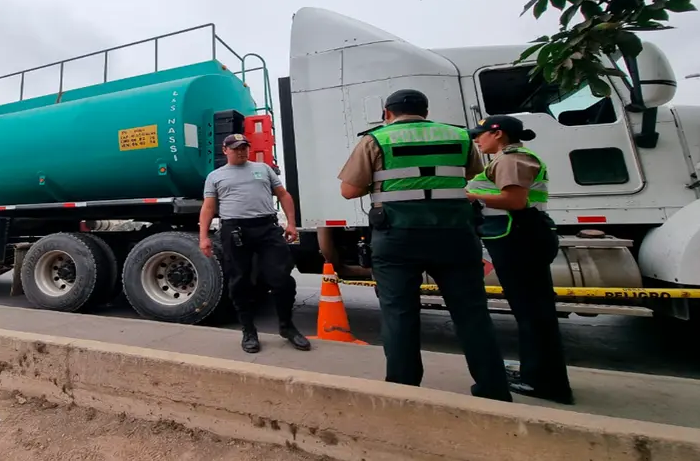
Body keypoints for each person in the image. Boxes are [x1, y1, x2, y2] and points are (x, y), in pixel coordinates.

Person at [337, 89, 512, 402]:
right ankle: (493, 389)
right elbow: (470, 174)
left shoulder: (376, 139)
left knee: (399, 314)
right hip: (456, 234)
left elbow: (349, 190)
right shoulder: (460, 136)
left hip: (398, 237)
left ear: (387, 113)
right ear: (426, 111)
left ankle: (403, 391)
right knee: (472, 314)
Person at [466, 115, 574, 405]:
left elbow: (514, 201)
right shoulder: (506, 159)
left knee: (533, 313)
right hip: (520, 237)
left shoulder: (512, 160)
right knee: (531, 311)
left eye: (480, 134)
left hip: (520, 237)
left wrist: (471, 196)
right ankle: (537, 374)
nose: (476, 140)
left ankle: (545, 382)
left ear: (497, 133)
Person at [199, 133, 311, 354]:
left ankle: (287, 326)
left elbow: (283, 195)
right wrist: (203, 237)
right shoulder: (215, 176)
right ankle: (248, 331)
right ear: (225, 150)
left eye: (244, 147)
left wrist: (291, 223)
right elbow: (209, 207)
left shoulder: (263, 169)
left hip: (267, 228)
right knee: (240, 282)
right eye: (236, 148)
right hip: (235, 231)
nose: (241, 151)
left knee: (282, 279)